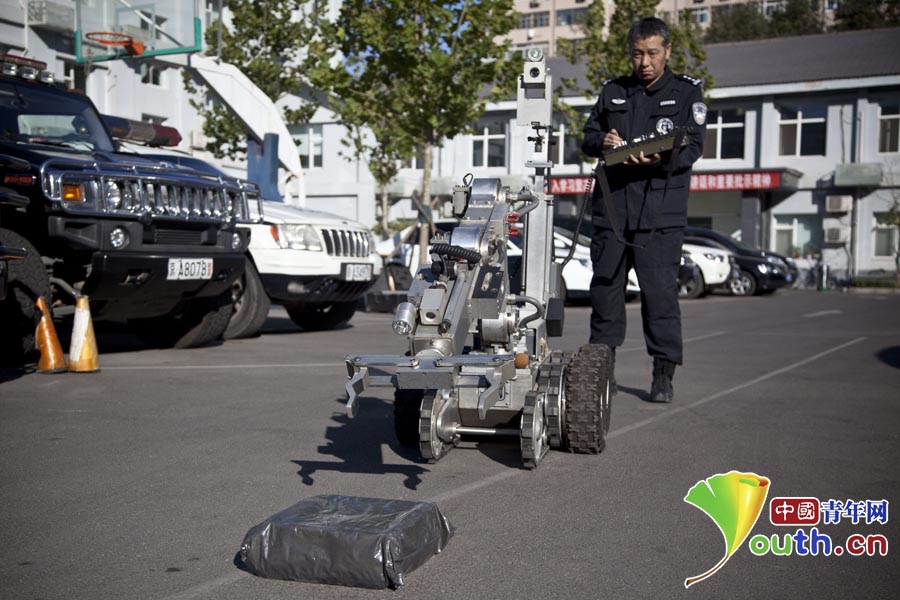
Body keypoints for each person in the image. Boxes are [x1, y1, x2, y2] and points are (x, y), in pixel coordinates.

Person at [581, 17, 706, 403]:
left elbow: (694, 146)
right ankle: (604, 373)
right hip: (614, 212)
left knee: (660, 296)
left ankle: (663, 376)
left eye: (652, 53)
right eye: (638, 54)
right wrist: (603, 138)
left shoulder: (687, 92)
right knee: (605, 294)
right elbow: (586, 138)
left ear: (667, 51)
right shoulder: (613, 91)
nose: (645, 62)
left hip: (659, 215)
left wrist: (658, 155)